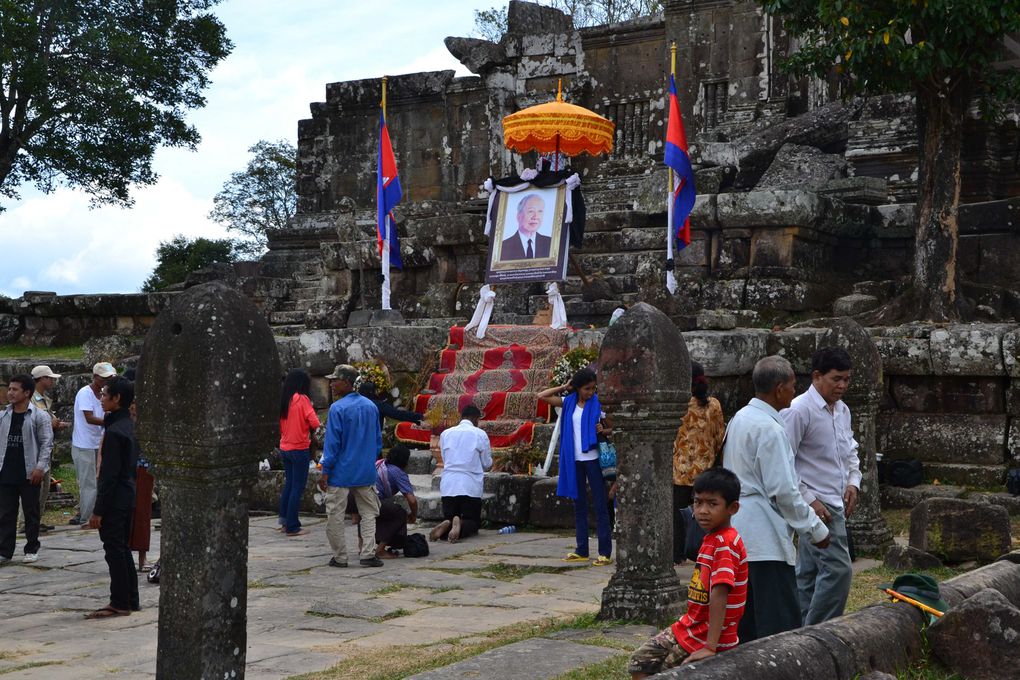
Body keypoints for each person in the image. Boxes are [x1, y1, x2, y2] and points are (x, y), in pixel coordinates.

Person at [723, 355, 830, 642]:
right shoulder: (769, 429)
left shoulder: (741, 418)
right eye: (793, 386)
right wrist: (815, 529)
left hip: (741, 530)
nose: (795, 392)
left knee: (746, 623)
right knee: (776, 626)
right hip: (764, 536)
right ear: (780, 388)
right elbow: (783, 490)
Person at [628, 467, 747, 678]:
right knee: (640, 661)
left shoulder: (724, 543)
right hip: (689, 626)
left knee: (665, 674)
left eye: (712, 504)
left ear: (733, 508)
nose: (702, 510)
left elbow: (719, 593)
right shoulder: (711, 537)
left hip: (707, 636)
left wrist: (711, 646)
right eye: (698, 502)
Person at [783, 346, 860, 625]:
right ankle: (817, 633)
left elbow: (850, 450)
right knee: (838, 570)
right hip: (818, 502)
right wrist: (808, 500)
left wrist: (854, 482)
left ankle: (796, 630)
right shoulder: (798, 410)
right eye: (836, 379)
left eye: (846, 380)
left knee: (810, 573)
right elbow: (784, 462)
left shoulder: (842, 410)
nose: (842, 386)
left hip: (836, 498)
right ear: (817, 376)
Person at [538, 367, 613, 566]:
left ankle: (604, 552)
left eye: (593, 389)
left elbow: (614, 427)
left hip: (593, 459)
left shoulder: (598, 404)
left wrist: (603, 430)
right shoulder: (568, 402)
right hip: (574, 459)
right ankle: (581, 549)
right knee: (578, 505)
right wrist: (565, 386)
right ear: (578, 388)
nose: (591, 392)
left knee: (600, 505)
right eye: (587, 389)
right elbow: (541, 396)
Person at [318, 364, 383, 568]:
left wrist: (325, 471)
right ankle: (368, 553)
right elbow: (377, 441)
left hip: (341, 471)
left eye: (335, 380)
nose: (331, 384)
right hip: (365, 470)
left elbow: (332, 445)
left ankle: (340, 557)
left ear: (346, 382)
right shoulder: (371, 407)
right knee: (369, 513)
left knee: (335, 514)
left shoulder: (337, 408)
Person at [85, 376, 139, 618]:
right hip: (127, 493)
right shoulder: (127, 425)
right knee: (122, 548)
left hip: (116, 496)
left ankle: (119, 601)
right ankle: (130, 599)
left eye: (105, 394)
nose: (101, 397)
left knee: (114, 549)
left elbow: (109, 476)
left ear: (117, 399)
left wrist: (98, 510)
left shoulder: (116, 431)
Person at [672, 361, 726, 564]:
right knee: (706, 513)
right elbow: (719, 436)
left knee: (677, 515)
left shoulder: (678, 403)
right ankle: (706, 552)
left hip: (680, 469)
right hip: (705, 468)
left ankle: (677, 554)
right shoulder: (713, 405)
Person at [0, 374, 53, 564]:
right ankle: (5, 550)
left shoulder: (39, 416)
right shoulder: (4, 415)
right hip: (6, 471)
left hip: (30, 471)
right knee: (6, 513)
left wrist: (40, 468)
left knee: (31, 512)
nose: (10, 393)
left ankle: (31, 548)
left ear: (27, 392)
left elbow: (47, 443)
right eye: (10, 389)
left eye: (15, 389)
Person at [430, 405, 491, 543]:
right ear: (475, 419)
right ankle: (460, 524)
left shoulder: (446, 433)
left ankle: (448, 523)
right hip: (470, 486)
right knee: (473, 523)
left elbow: (445, 459)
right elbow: (487, 463)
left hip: (449, 485)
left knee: (449, 518)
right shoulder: (479, 434)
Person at [70, 362, 116, 526]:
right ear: (95, 377)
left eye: (110, 378)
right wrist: (110, 421)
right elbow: (89, 417)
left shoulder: (107, 394)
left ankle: (99, 515)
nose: (107, 381)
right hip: (85, 445)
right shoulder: (85, 393)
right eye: (104, 378)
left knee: (102, 482)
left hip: (100, 443)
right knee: (88, 484)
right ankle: (86, 518)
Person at [278, 369, 321, 537]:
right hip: (299, 448)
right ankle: (292, 526)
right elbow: (315, 422)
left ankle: (284, 521)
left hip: (285, 448)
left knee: (289, 485)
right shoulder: (302, 399)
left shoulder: (285, 400)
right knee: (297, 487)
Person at [28, 365, 68, 534]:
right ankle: (27, 521)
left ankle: (37, 519)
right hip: (35, 448)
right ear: (41, 379)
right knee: (33, 487)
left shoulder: (43, 399)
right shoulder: (31, 399)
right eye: (50, 378)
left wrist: (56, 424)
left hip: (46, 446)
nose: (52, 381)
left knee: (44, 487)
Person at [373, 445, 418, 557]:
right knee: (400, 514)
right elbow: (412, 501)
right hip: (375, 500)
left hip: (361, 498)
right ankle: (381, 549)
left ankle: (362, 547)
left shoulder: (379, 465)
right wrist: (413, 515)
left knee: (364, 513)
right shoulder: (398, 473)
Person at [500, 193, 551, 260]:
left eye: (540, 211)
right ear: (518, 216)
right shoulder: (503, 247)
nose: (536, 217)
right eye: (531, 211)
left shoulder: (550, 243)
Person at [357, 381, 422, 432]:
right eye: (375, 391)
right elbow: (398, 414)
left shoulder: (352, 404)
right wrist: (420, 417)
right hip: (371, 439)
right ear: (371, 392)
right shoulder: (378, 405)